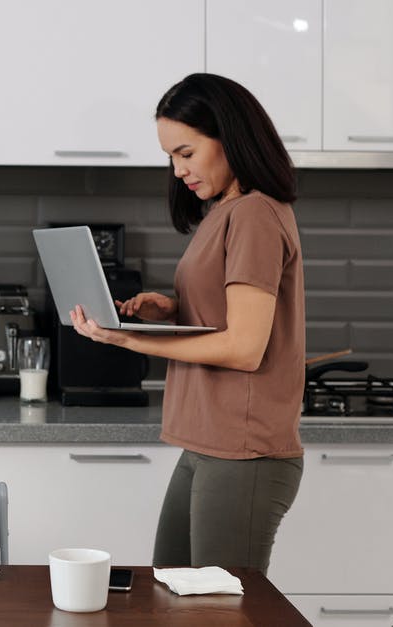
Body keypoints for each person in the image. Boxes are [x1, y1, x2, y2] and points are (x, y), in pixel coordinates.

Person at [69, 73, 304, 575]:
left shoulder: (256, 215)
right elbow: (228, 310)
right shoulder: (225, 212)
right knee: (171, 593)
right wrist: (171, 309)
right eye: (170, 158)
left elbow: (244, 347)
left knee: (217, 612)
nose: (177, 171)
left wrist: (132, 339)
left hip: (244, 449)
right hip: (210, 440)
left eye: (186, 153)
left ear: (230, 137)